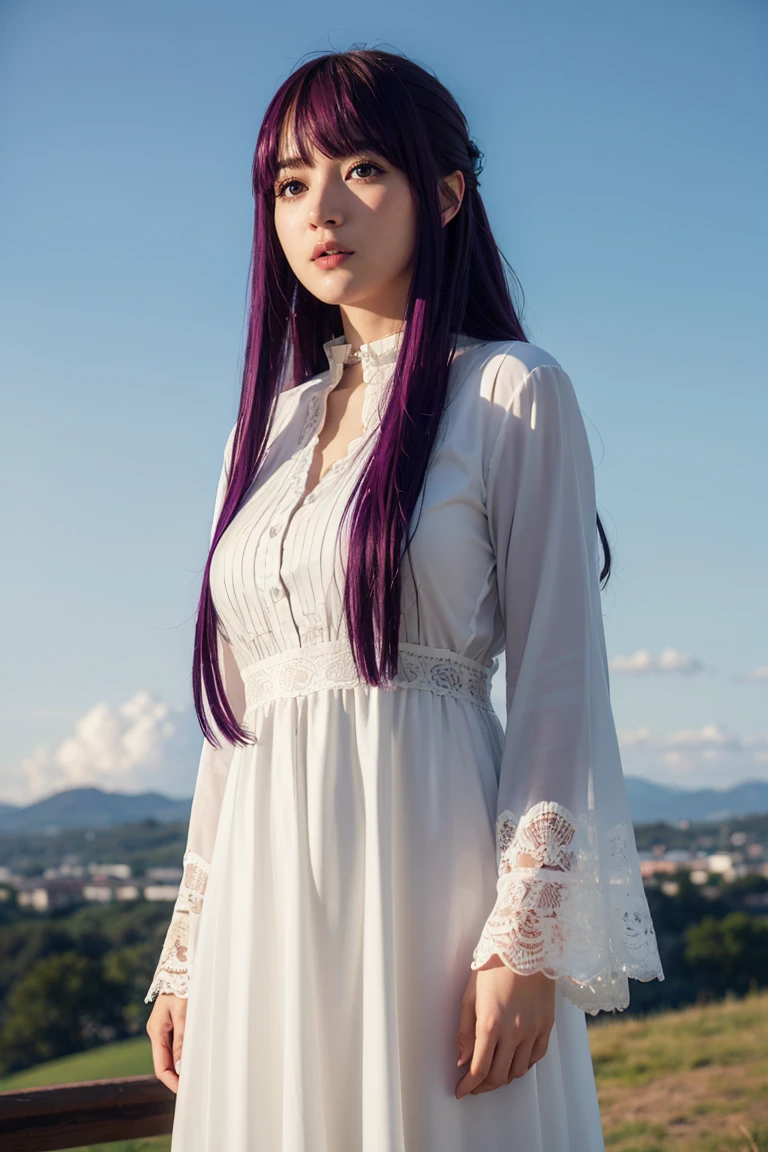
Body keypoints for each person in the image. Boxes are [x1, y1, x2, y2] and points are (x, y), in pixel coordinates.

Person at [144, 46, 664, 1152]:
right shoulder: (264, 434)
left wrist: (522, 946)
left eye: (363, 167)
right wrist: (189, 956)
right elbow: (233, 726)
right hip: (264, 915)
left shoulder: (512, 392)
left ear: (443, 193)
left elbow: (559, 684)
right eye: (290, 183)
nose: (320, 208)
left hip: (430, 888)